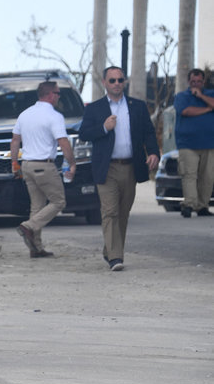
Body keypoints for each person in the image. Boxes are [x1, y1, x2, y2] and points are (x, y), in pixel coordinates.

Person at [79, 66, 159, 271]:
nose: (117, 84)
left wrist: (153, 153)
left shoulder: (137, 107)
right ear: (105, 83)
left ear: (125, 82)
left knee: (123, 213)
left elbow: (149, 133)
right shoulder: (94, 108)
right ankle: (116, 257)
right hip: (107, 168)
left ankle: (110, 250)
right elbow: (84, 134)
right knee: (110, 211)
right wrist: (104, 127)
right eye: (112, 80)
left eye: (120, 80)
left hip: (130, 166)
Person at [10, 81, 76, 258]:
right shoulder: (54, 116)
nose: (59, 97)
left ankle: (36, 248)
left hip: (27, 165)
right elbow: (63, 142)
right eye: (58, 93)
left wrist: (14, 164)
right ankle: (28, 227)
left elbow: (15, 140)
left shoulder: (25, 114)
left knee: (37, 206)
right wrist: (72, 163)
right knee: (58, 202)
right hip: (44, 165)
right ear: (51, 94)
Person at [173, 69, 214, 218]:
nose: (196, 84)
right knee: (189, 175)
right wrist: (207, 109)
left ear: (204, 82)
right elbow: (186, 111)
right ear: (188, 82)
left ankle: (202, 206)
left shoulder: (210, 94)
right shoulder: (181, 96)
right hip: (187, 143)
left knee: (208, 177)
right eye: (193, 81)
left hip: (210, 143)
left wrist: (201, 96)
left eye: (199, 81)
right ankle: (189, 205)